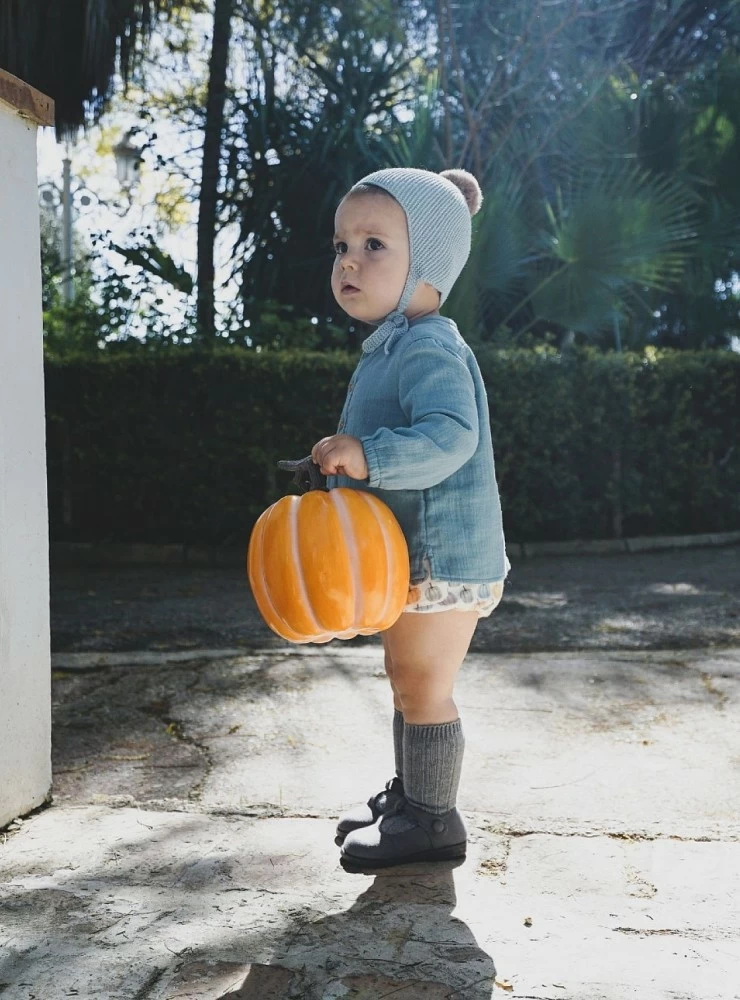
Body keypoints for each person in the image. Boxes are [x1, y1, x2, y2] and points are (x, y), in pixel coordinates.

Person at [310, 166, 510, 869]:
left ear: (426, 262)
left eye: (373, 245)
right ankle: (411, 796)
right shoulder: (393, 344)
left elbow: (450, 438)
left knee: (425, 686)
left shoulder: (430, 346)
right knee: (405, 678)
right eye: (341, 247)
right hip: (411, 558)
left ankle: (433, 820)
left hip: (443, 559)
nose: (349, 262)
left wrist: (369, 455)